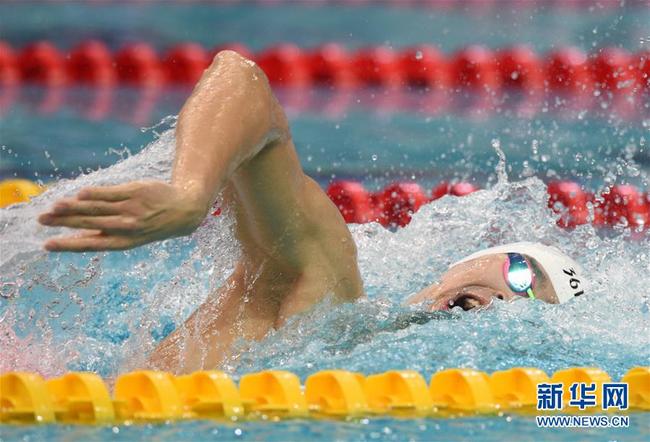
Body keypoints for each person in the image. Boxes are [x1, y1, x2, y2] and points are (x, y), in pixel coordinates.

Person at [37, 51, 587, 373]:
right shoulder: (327, 291)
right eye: (522, 273)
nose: (508, 304)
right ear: (468, 262)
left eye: (530, 311)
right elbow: (240, 79)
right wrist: (189, 194)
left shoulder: (360, 370)